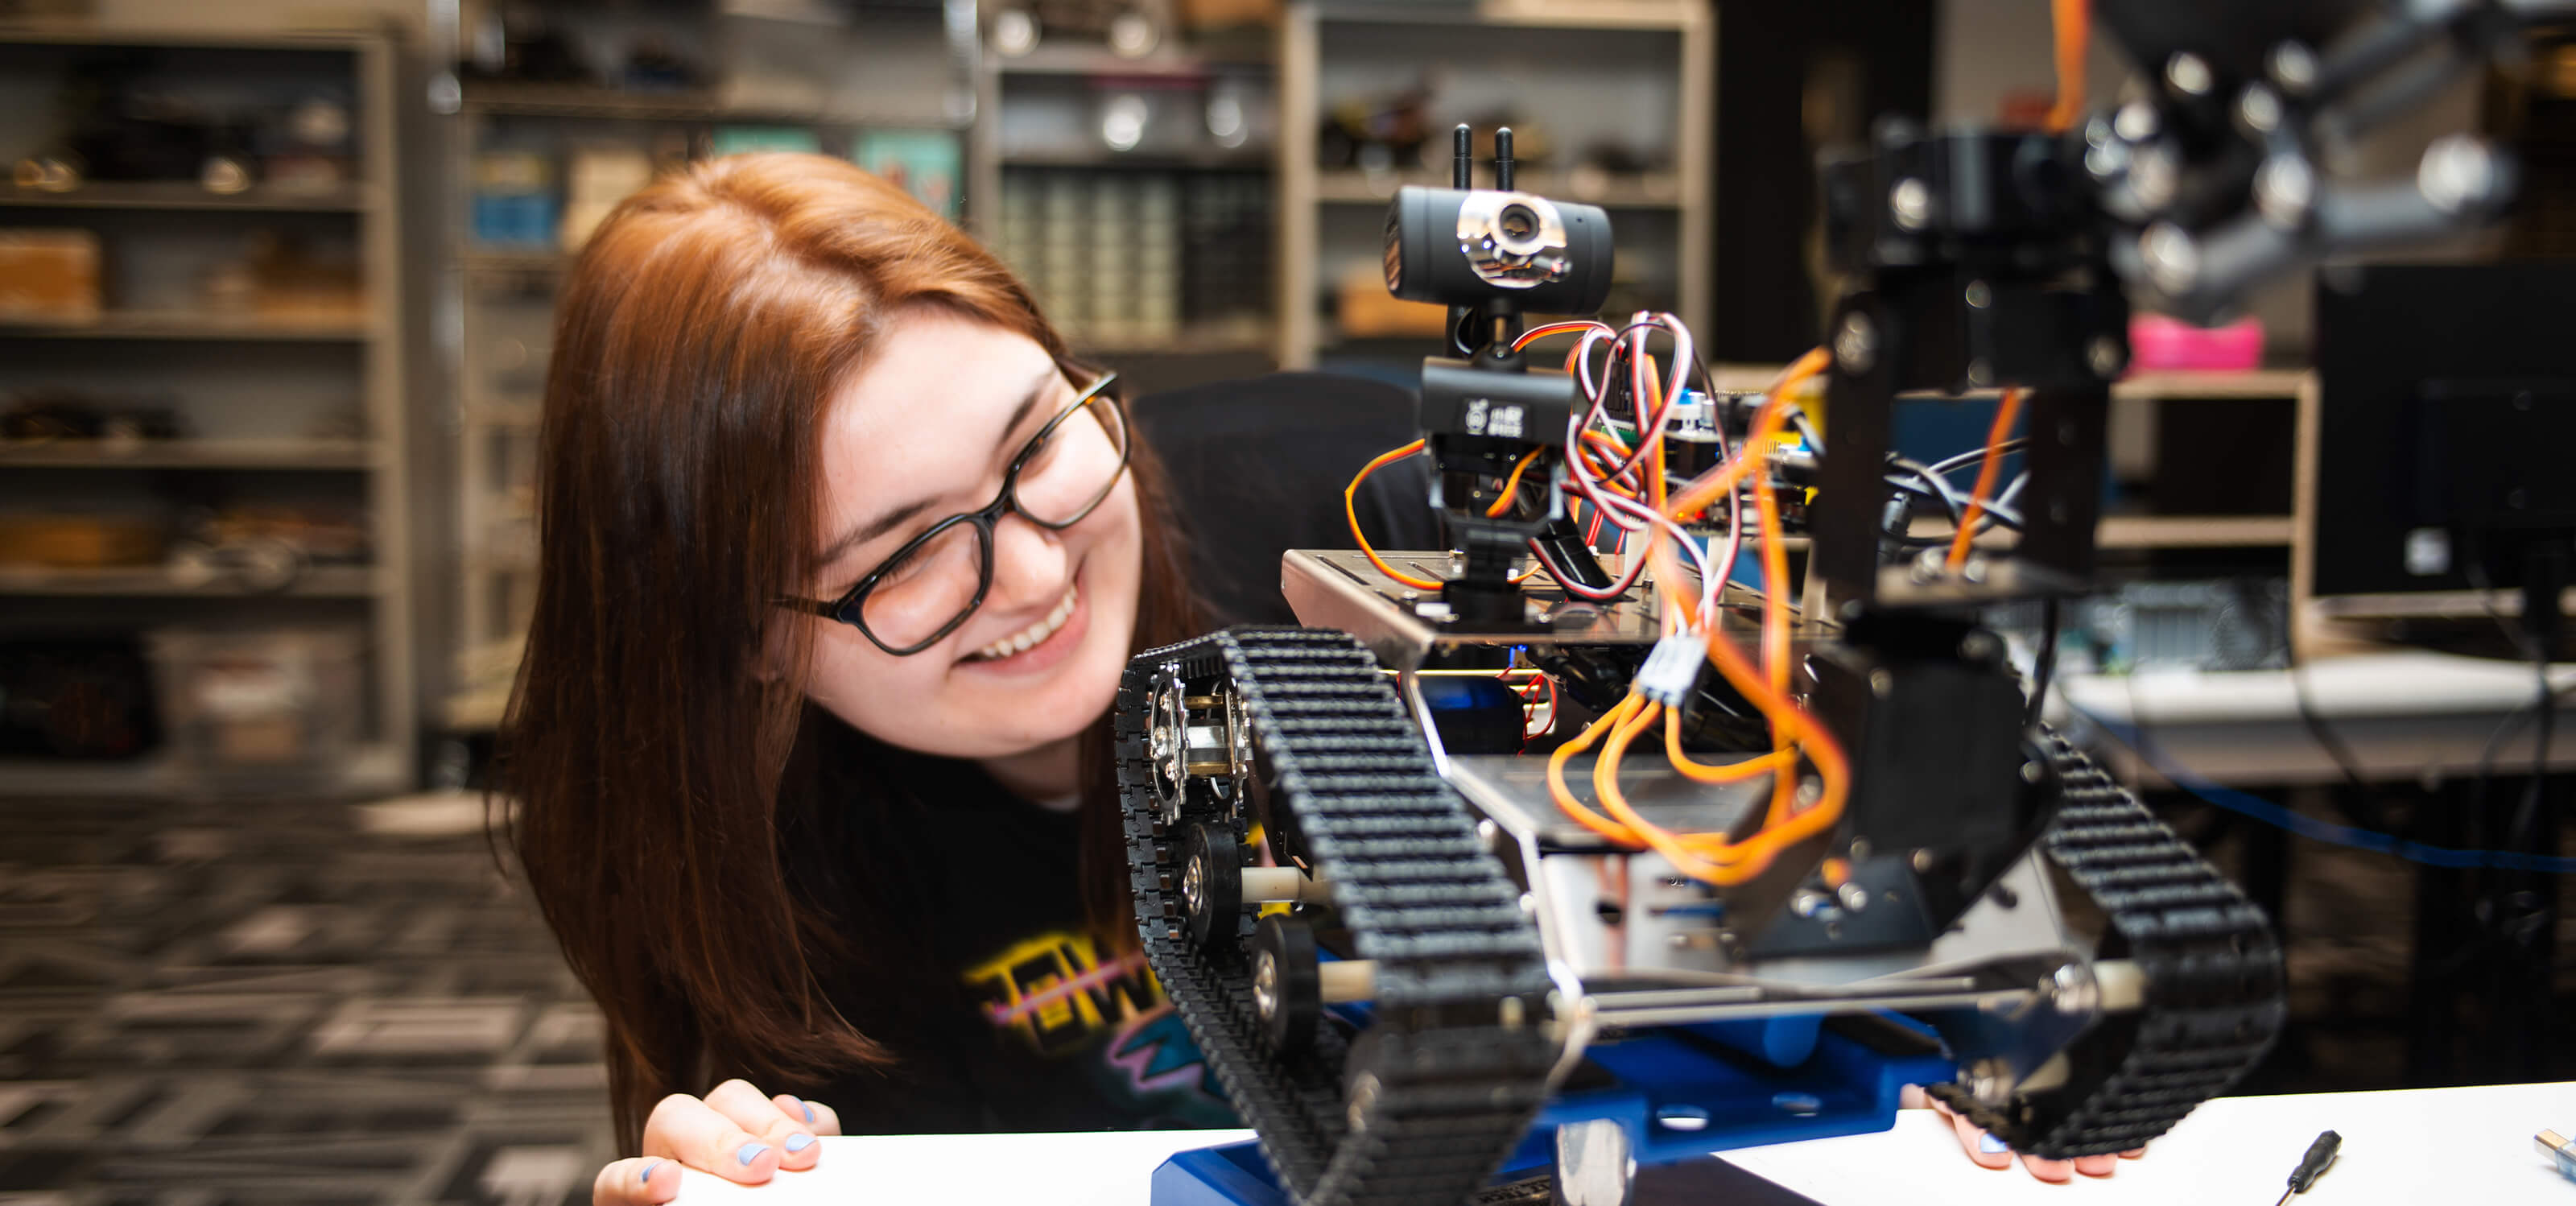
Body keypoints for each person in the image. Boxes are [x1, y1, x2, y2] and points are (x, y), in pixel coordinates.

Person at [501, 153, 2136, 1206]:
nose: (1031, 566)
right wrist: (716, 1158)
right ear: (727, 628)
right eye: (899, 549)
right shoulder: (683, 825)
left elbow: (1768, 792)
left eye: (1034, 443)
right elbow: (746, 1135)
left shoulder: (1354, 509)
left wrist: (1965, 1022)